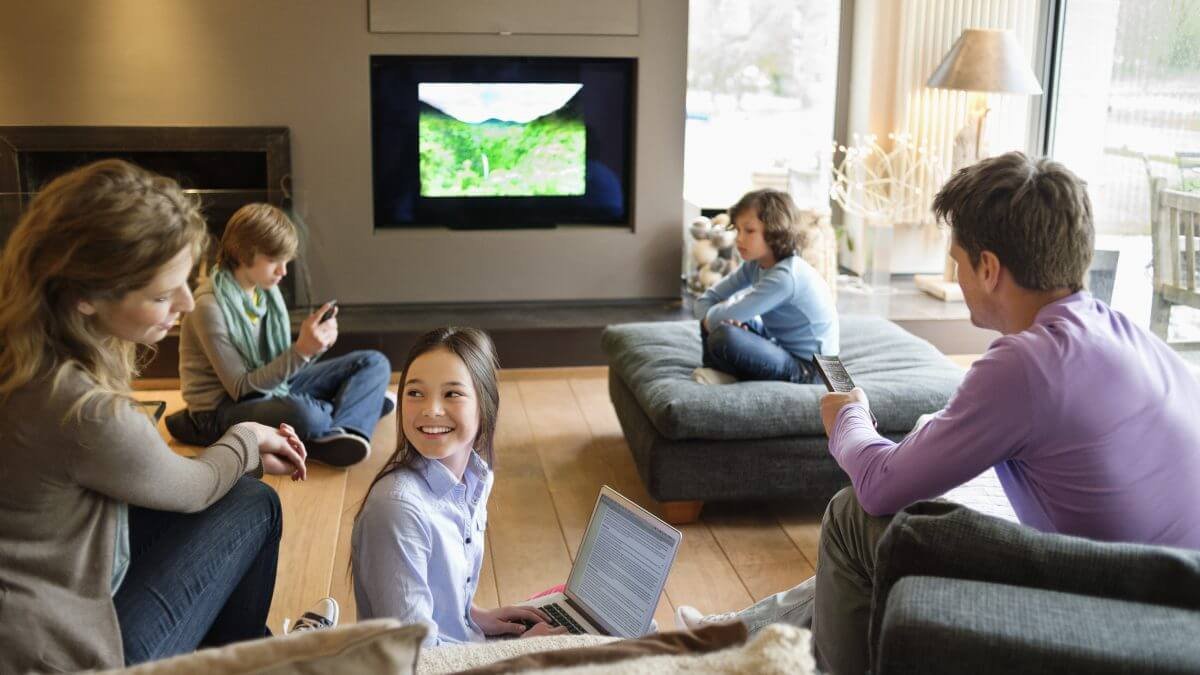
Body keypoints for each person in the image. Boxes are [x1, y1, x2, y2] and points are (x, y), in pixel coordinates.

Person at [675, 152, 1200, 674]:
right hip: (1173, 591)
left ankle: (755, 647)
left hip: (1114, 611)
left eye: (956, 260)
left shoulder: (1027, 363)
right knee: (921, 505)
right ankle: (734, 634)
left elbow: (878, 487)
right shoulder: (1123, 332)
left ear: (988, 268)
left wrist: (849, 419)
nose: (956, 274)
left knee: (856, 516)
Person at [0, 160, 331, 672]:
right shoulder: (83, 409)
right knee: (255, 503)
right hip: (67, 656)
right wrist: (246, 435)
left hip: (39, 605)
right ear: (84, 296)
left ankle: (253, 652)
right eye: (160, 294)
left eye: (185, 281)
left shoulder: (22, 357)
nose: (185, 303)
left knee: (236, 491)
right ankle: (257, 661)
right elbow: (195, 487)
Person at [351, 327, 568, 646]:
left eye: (452, 394)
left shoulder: (475, 478)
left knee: (574, 607)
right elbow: (418, 659)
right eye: (415, 393)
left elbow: (437, 584)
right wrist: (522, 651)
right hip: (439, 663)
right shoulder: (396, 509)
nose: (431, 409)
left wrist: (471, 613)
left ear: (484, 404)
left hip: (466, 648)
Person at [174, 203, 392, 466]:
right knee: (307, 415)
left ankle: (344, 432)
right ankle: (355, 409)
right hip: (219, 410)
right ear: (243, 253)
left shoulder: (264, 291)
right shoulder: (209, 306)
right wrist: (302, 351)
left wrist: (315, 346)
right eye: (273, 261)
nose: (283, 271)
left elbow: (279, 368)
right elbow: (242, 390)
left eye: (286, 261)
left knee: (374, 362)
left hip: (269, 389)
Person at [692, 188, 838, 385]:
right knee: (724, 321)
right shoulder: (756, 264)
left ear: (775, 232)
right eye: (738, 230)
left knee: (725, 334)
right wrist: (718, 316)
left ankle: (724, 372)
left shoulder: (785, 276)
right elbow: (705, 301)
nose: (739, 239)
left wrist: (719, 316)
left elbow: (714, 317)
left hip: (816, 368)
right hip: (780, 344)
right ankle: (718, 370)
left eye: (749, 231)